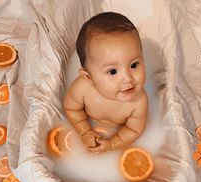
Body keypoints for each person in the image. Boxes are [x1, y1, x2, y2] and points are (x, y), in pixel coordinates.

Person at [63, 12, 148, 153]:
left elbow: (133, 130)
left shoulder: (139, 102)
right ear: (89, 77)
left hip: (116, 130)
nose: (128, 78)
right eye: (112, 72)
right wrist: (84, 131)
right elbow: (72, 109)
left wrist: (111, 144)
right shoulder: (82, 88)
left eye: (134, 65)